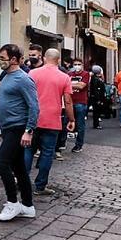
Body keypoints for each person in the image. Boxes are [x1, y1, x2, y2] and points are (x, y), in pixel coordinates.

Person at [0, 44, 38, 222]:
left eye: (3, 58)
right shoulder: (6, 77)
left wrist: (28, 131)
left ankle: (13, 202)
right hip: (7, 127)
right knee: (18, 167)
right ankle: (28, 206)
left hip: (17, 128)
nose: (0, 61)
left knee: (1, 162)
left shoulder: (23, 79)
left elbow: (34, 106)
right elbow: (12, 100)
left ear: (14, 59)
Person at [24, 49, 75, 196]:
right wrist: (71, 119)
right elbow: (68, 101)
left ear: (45, 58)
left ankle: (23, 182)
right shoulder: (64, 77)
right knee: (47, 154)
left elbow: (26, 95)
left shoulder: (32, 73)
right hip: (53, 120)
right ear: (58, 60)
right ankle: (40, 186)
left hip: (33, 118)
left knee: (28, 151)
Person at [67, 57, 91, 152]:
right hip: (69, 101)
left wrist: (68, 84)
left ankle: (78, 145)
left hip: (81, 102)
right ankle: (62, 143)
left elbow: (82, 86)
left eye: (79, 64)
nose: (77, 66)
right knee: (66, 123)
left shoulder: (85, 74)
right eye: (75, 64)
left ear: (82, 65)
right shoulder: (69, 74)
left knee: (80, 124)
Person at [88, 65, 110, 130]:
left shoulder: (94, 78)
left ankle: (96, 123)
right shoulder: (95, 79)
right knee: (96, 111)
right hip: (97, 97)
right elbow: (96, 90)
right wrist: (98, 99)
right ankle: (96, 124)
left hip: (96, 97)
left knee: (96, 111)